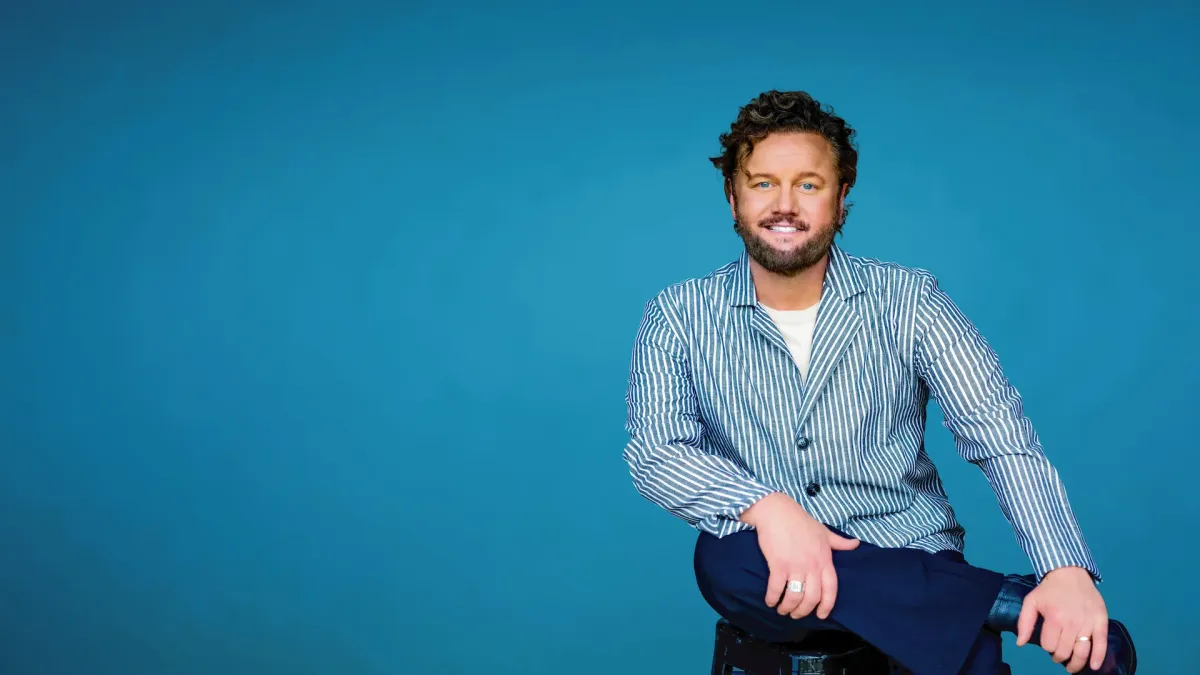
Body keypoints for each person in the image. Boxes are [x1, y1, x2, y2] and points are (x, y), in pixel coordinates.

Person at [621, 89, 1137, 675]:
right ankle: (998, 603)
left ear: (841, 198)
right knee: (724, 560)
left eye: (808, 184)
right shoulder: (678, 314)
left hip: (906, 545)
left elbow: (1000, 436)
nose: (785, 205)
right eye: (763, 183)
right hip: (771, 564)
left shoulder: (911, 300)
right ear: (732, 196)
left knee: (740, 566)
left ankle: (950, 606)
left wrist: (1065, 570)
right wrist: (771, 509)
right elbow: (656, 450)